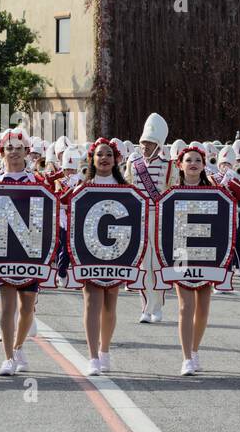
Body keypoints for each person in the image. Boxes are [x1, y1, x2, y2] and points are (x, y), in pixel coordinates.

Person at [66, 138, 131, 375]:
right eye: (100, 154)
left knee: (110, 304)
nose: (104, 158)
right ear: (92, 159)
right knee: (92, 301)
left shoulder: (126, 189)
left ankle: (105, 350)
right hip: (89, 251)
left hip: (116, 252)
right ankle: (93, 356)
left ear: (116, 160)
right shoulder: (81, 189)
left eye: (109, 155)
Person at [0, 130, 45, 376]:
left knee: (27, 307)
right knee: (7, 307)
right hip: (4, 249)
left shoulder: (37, 182)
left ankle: (19, 346)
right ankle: (8, 357)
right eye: (9, 148)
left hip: (30, 249)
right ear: (2, 152)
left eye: (18, 148)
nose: (13, 152)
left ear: (26, 152)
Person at [125, 113, 175, 324]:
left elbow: (172, 194)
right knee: (143, 266)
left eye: (150, 143)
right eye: (143, 142)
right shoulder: (133, 163)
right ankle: (145, 307)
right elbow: (128, 188)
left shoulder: (168, 165)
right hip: (140, 218)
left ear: (158, 145)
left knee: (158, 265)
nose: (145, 146)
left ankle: (158, 306)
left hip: (160, 220)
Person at [172, 146, 218, 376]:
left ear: (203, 165)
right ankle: (186, 357)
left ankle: (195, 349)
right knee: (185, 306)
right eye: (188, 160)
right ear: (180, 165)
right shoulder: (172, 192)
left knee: (202, 309)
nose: (193, 163)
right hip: (181, 253)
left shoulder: (215, 192)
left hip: (206, 252)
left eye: (197, 160)